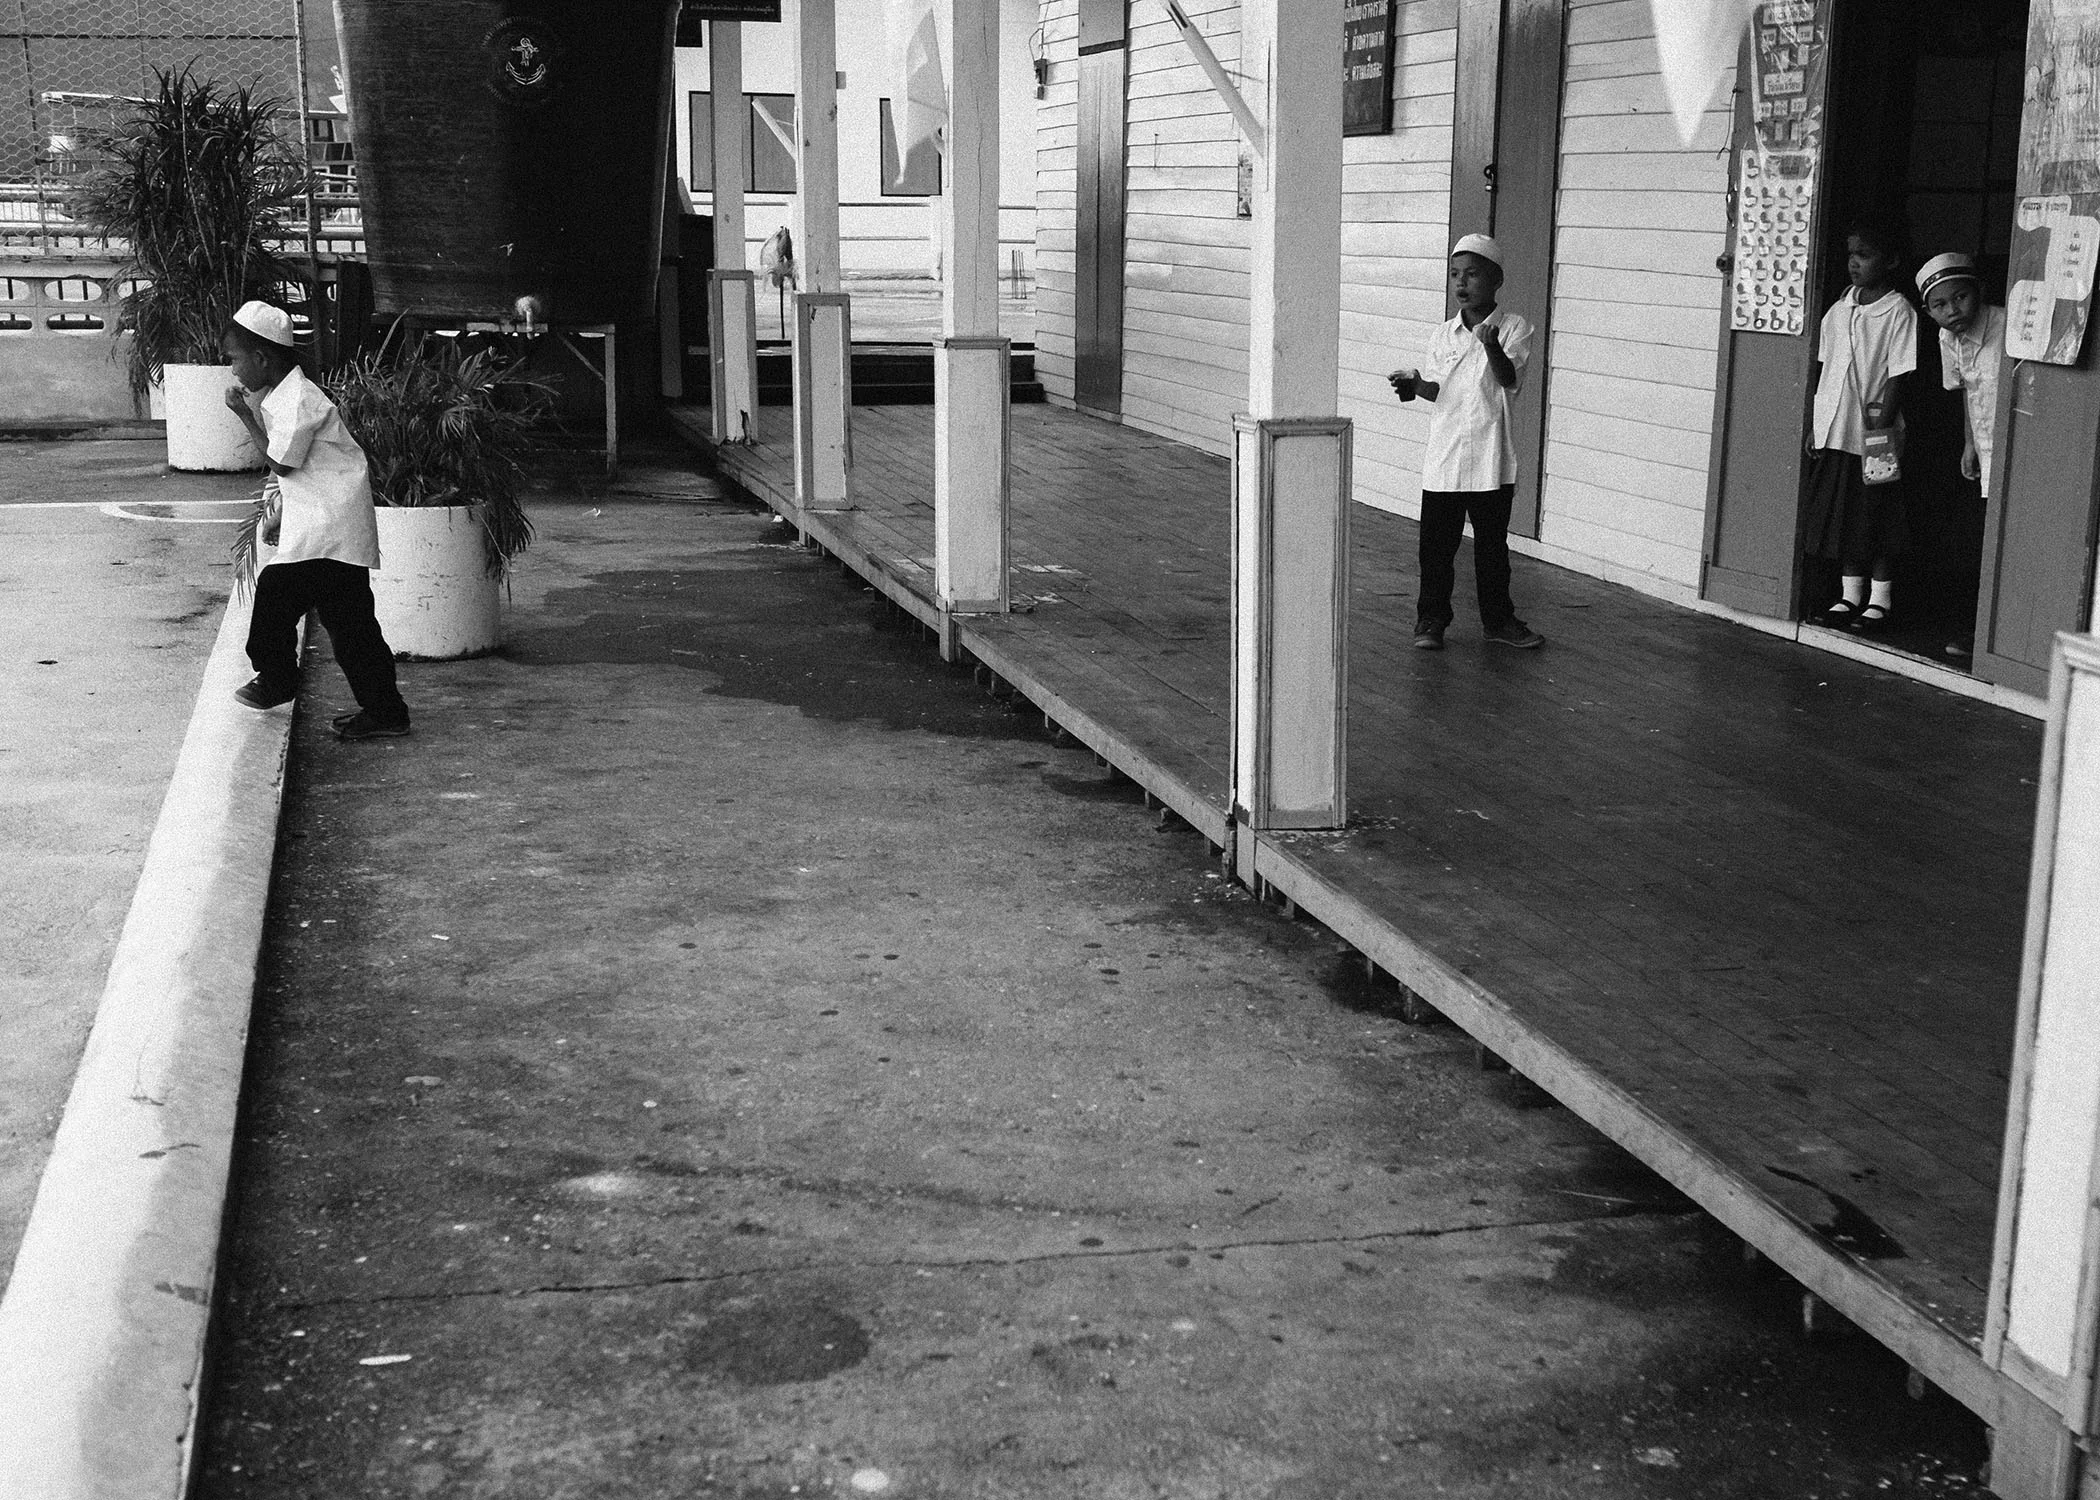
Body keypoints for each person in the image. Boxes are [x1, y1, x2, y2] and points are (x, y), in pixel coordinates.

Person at [221, 300, 412, 740]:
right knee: (352, 628)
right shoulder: (289, 395)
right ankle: (386, 712)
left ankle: (278, 679)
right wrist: (281, 512)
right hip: (331, 527)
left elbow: (283, 463)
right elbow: (307, 471)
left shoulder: (300, 400)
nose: (233, 370)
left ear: (261, 358)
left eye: (234, 359)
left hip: (331, 529)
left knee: (277, 593)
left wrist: (244, 415)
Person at [1387, 233, 1545, 650]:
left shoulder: (1514, 328)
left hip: (1491, 458)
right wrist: (1416, 385)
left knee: (1491, 549)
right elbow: (1441, 391)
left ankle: (1498, 621)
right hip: (1445, 456)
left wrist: (1491, 346)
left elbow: (1508, 381)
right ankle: (1431, 621)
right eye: (1455, 274)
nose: (1462, 283)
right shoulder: (1443, 334)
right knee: (1436, 549)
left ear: (1496, 281)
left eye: (1472, 274)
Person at [1802, 222, 1918, 634]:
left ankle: (1879, 599)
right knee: (1848, 517)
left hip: (1876, 434)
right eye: (1851, 252)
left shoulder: (1898, 312)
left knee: (1880, 516)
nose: (1854, 262)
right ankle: (1850, 595)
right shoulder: (1839, 310)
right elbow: (1823, 368)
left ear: (1890, 261)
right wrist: (1816, 424)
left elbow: (1899, 374)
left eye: (1864, 254)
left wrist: (1880, 432)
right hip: (1837, 430)